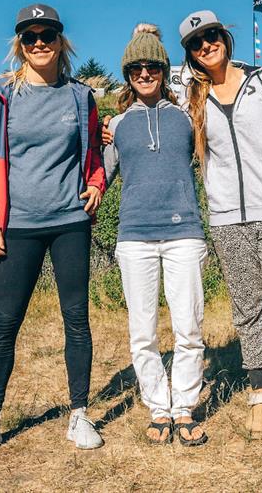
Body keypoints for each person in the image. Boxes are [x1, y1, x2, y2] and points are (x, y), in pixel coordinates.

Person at [0, 3, 106, 462]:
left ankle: (80, 413)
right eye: (30, 36)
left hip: (69, 222)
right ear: (19, 45)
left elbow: (95, 155)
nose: (39, 43)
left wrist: (98, 184)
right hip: (16, 226)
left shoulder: (81, 97)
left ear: (62, 41)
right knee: (5, 325)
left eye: (48, 35)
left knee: (76, 320)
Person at [179, 10, 262, 442]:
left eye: (211, 36)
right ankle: (259, 391)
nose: (206, 46)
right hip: (227, 220)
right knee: (248, 310)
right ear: (191, 54)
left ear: (224, 37)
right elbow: (153, 107)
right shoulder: (194, 99)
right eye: (196, 43)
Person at [104, 23, 208, 446]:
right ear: (127, 73)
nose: (144, 73)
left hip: (184, 232)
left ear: (164, 70)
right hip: (134, 237)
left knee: (189, 327)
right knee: (142, 332)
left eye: (152, 66)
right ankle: (158, 409)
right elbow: (101, 174)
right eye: (135, 67)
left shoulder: (187, 113)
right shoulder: (118, 124)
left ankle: (184, 407)